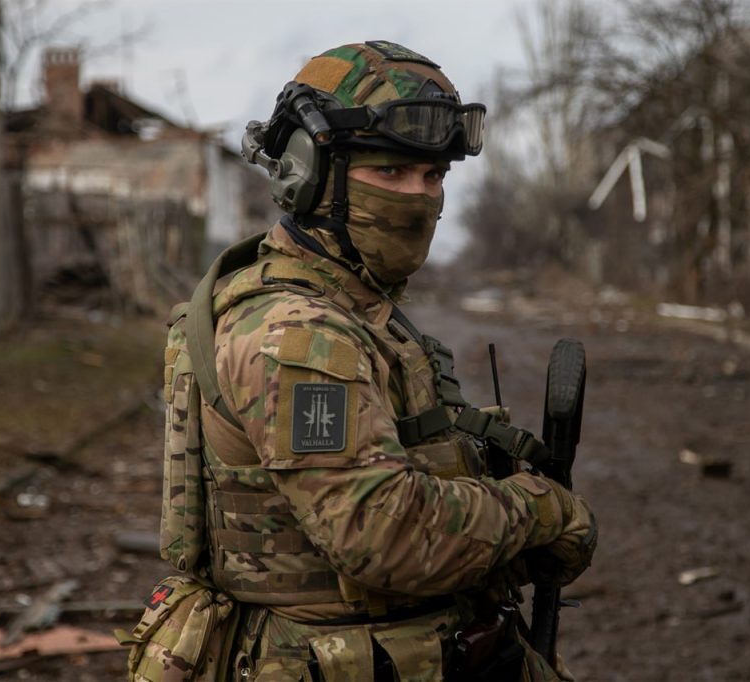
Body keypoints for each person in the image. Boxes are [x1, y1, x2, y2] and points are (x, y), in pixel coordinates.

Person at [130, 40, 597, 682]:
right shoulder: (296, 334)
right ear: (309, 176)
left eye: (434, 176)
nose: (420, 197)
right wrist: (539, 512)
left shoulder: (356, 306)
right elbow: (385, 536)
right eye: (391, 173)